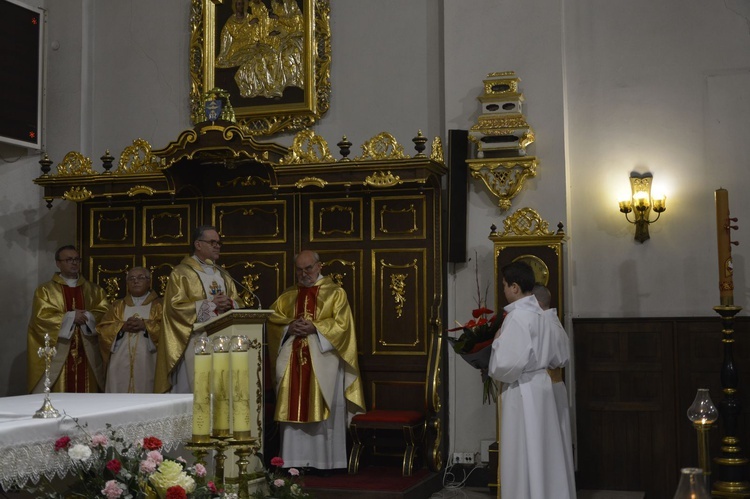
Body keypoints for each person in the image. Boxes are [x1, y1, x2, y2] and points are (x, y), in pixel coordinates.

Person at [267, 250, 365, 471]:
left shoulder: (335, 293)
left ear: (319, 266)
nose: (304, 274)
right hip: (293, 359)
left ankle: (327, 463)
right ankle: (292, 462)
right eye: (299, 270)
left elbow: (343, 326)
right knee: (291, 410)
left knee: (324, 410)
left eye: (308, 268)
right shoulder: (287, 296)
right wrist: (288, 327)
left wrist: (316, 327)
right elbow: (272, 321)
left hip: (324, 361)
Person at [488, 262, 576, 499]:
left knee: (522, 455)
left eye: (505, 286)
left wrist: (496, 343)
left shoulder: (518, 317)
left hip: (523, 391)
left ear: (515, 287)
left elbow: (506, 365)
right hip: (541, 387)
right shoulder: (543, 315)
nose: (504, 290)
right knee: (542, 453)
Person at [154, 226, 244, 393]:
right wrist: (210, 305)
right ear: (198, 244)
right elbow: (174, 308)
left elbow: (238, 302)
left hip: (222, 343)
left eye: (219, 243)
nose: (217, 246)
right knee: (196, 394)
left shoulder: (223, 274)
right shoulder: (181, 273)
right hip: (193, 342)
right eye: (212, 242)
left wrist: (230, 304)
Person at [27, 245, 110, 393]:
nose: (74, 263)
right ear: (58, 263)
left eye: (76, 259)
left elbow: (105, 313)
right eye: (69, 259)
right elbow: (41, 317)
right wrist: (71, 317)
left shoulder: (94, 290)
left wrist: (87, 317)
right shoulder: (45, 290)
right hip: (59, 353)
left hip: (87, 353)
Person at [98, 267, 163, 393]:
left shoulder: (160, 305)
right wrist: (121, 327)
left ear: (149, 281)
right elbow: (103, 329)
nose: (136, 281)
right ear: (127, 283)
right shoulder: (117, 306)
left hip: (149, 361)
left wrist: (146, 326)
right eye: (131, 279)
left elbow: (169, 331)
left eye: (140, 278)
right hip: (120, 362)